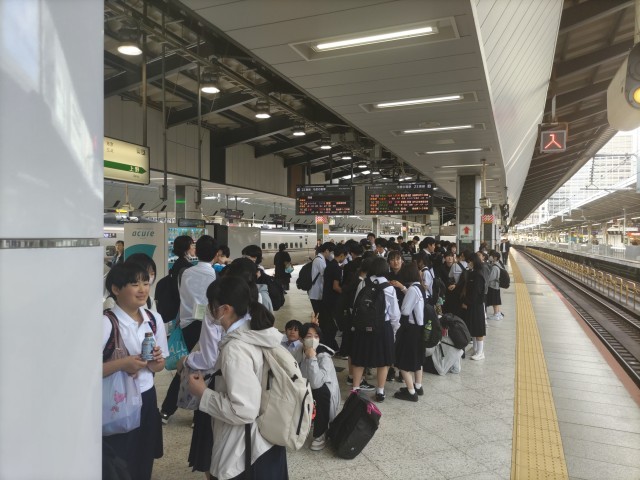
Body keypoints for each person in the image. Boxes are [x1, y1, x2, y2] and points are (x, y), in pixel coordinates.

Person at [187, 276, 288, 480]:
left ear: (225, 309)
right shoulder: (257, 332)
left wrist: (203, 393)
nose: (208, 310)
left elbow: (243, 410)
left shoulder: (235, 349)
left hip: (245, 450)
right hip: (267, 439)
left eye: (211, 305)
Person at [102, 263, 168, 480]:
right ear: (116, 289)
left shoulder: (153, 319)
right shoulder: (106, 323)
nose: (142, 289)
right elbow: (85, 371)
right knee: (118, 463)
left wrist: (155, 362)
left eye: (146, 283)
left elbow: (158, 366)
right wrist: (123, 364)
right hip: (116, 402)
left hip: (147, 398)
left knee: (143, 460)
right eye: (134, 284)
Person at [161, 235, 218, 424]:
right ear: (215, 254)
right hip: (207, 326)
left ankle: (166, 410)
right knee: (206, 369)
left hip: (187, 325)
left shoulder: (185, 273)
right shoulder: (215, 276)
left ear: (196, 252)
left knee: (185, 366)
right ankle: (198, 416)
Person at [351, 257, 400, 402]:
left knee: (359, 359)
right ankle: (380, 391)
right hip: (382, 327)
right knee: (383, 361)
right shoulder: (389, 287)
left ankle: (355, 389)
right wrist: (394, 330)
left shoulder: (363, 283)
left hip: (362, 326)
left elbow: (356, 304)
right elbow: (394, 314)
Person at [299, 323, 341, 451]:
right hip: (306, 388)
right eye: (309, 336)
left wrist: (312, 358)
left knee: (320, 391)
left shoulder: (323, 356)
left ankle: (321, 433)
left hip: (324, 394)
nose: (313, 339)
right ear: (301, 339)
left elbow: (316, 383)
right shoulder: (299, 351)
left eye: (316, 336)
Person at [393, 262, 425, 402]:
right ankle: (418, 386)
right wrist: (403, 289)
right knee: (417, 359)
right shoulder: (420, 287)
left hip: (410, 329)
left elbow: (405, 311)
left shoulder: (412, 289)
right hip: (419, 328)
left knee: (403, 362)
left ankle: (411, 393)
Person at [461, 252, 487, 360]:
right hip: (473, 305)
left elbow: (476, 293)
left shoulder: (478, 275)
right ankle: (476, 349)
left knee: (478, 329)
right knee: (474, 329)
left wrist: (466, 302)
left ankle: (480, 352)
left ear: (474, 261)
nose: (468, 263)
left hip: (477, 305)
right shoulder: (473, 273)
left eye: (469, 261)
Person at [320, 244, 346, 351]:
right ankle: (330, 346)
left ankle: (329, 345)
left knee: (328, 324)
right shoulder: (336, 268)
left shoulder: (329, 265)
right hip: (333, 300)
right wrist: (345, 293)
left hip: (326, 298)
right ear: (342, 255)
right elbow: (335, 287)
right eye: (344, 256)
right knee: (332, 326)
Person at [308, 242, 334, 315]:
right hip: (316, 294)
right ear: (326, 251)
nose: (331, 255)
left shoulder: (320, 259)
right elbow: (326, 274)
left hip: (317, 292)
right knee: (319, 315)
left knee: (320, 314)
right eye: (331, 252)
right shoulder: (319, 260)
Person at [486, 251, 504, 320]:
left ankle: (496, 314)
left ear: (495, 258)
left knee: (494, 301)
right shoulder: (498, 264)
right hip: (496, 286)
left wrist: (486, 280)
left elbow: (491, 277)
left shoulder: (495, 267)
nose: (490, 257)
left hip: (493, 286)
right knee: (496, 300)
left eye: (491, 256)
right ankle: (498, 313)